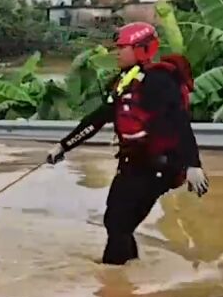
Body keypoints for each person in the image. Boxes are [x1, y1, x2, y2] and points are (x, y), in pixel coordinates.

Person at [45, 21, 209, 265]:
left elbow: (179, 123)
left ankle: (114, 282)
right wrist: (63, 146)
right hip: (132, 163)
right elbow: (98, 119)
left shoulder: (159, 81)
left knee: (120, 223)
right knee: (115, 222)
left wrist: (193, 165)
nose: (117, 53)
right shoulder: (125, 82)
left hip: (158, 167)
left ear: (142, 49)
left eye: (122, 48)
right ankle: (129, 273)